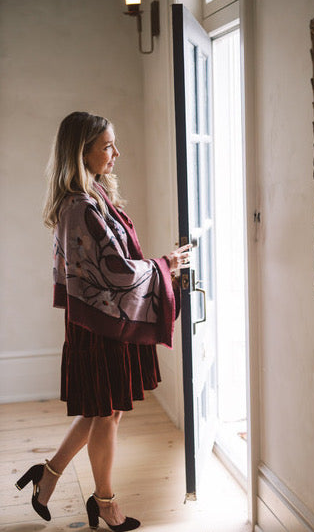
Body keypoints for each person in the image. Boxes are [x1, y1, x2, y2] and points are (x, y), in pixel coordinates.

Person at [15, 111, 191, 531]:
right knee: (107, 412)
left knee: (102, 410)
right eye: (108, 145)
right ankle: (106, 503)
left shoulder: (90, 195)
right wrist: (166, 264)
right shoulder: (81, 205)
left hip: (98, 319)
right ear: (83, 152)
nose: (116, 152)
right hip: (100, 324)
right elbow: (117, 272)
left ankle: (49, 475)